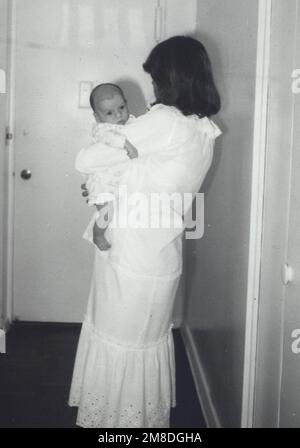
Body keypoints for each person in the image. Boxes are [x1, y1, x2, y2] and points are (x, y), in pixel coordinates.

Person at [68, 35, 221, 428]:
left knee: (120, 340)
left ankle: (112, 427)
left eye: (156, 79)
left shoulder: (165, 122)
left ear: (171, 78)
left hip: (130, 252)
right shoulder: (205, 131)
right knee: (143, 343)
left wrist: (102, 178)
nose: (153, 88)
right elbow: (150, 178)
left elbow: (85, 158)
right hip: (162, 255)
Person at [76, 83, 138, 251]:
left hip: (117, 180)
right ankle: (97, 235)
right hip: (102, 181)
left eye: (121, 107)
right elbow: (108, 138)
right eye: (109, 113)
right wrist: (125, 144)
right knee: (107, 212)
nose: (119, 114)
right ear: (97, 117)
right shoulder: (102, 129)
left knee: (116, 212)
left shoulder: (131, 121)